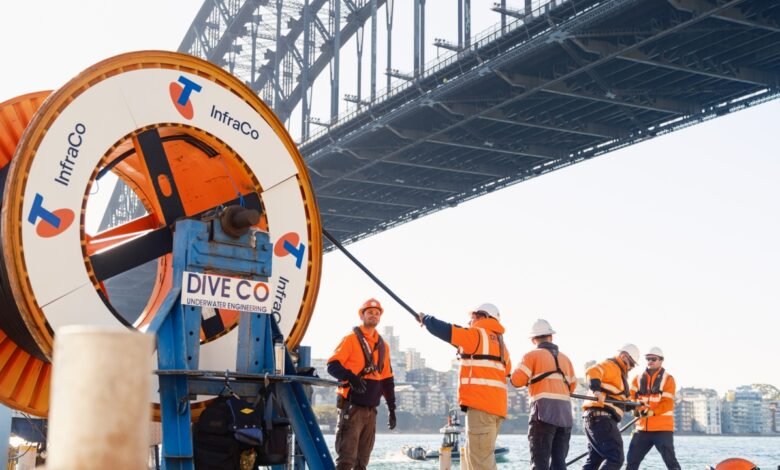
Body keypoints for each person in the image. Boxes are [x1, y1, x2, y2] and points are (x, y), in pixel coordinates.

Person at [419, 303, 511, 470]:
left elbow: (447, 331)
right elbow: (507, 370)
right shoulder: (502, 345)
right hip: (496, 410)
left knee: (480, 461)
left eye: (473, 316)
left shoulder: (476, 334)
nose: (470, 320)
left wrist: (426, 320)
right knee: (472, 455)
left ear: (482, 316)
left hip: (481, 407)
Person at [327, 298, 396, 470]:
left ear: (380, 318)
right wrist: (351, 377)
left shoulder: (383, 346)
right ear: (362, 315)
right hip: (352, 407)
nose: (374, 315)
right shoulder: (350, 339)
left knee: (362, 462)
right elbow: (332, 366)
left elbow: (387, 380)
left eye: (377, 313)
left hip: (371, 411)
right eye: (370, 312)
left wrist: (392, 409)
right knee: (346, 460)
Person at [510, 319, 577, 470]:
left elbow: (516, 381)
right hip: (565, 416)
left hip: (543, 415)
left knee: (540, 463)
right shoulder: (566, 359)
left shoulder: (531, 356)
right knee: (559, 463)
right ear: (551, 337)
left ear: (533, 339)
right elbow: (572, 387)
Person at [581, 343, 640, 470]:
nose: (631, 368)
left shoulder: (618, 376)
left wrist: (636, 407)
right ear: (624, 356)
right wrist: (596, 391)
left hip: (593, 419)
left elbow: (620, 401)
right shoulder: (612, 366)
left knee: (594, 461)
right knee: (615, 457)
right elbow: (592, 371)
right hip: (601, 419)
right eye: (632, 364)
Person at [626, 347, 681, 470]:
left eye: (653, 359)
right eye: (648, 359)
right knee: (631, 462)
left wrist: (652, 411)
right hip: (641, 429)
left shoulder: (668, 379)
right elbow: (631, 397)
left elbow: (667, 403)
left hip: (662, 429)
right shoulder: (637, 378)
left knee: (671, 462)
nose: (650, 361)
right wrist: (636, 408)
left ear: (661, 360)